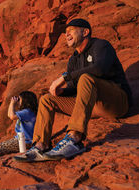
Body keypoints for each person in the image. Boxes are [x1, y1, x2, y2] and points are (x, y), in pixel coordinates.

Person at [14, 18, 132, 162]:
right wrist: (62, 92)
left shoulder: (101, 46)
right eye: (65, 33)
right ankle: (40, 146)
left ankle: (74, 138)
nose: (66, 34)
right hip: (91, 106)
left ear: (85, 32)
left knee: (86, 78)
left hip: (116, 102)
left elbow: (99, 69)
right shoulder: (73, 60)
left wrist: (65, 77)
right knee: (47, 99)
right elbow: (76, 89)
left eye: (70, 30)